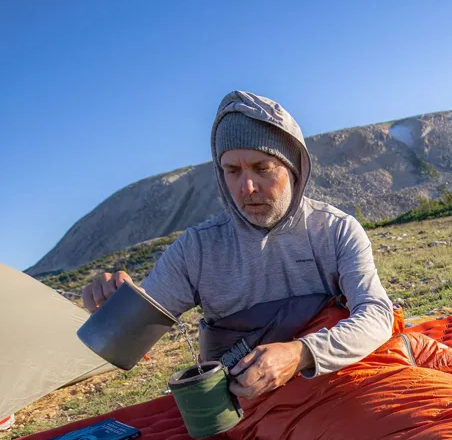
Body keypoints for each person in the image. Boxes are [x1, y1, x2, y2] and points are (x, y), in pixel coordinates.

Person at [81, 91, 394, 399]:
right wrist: (111, 300)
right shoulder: (197, 249)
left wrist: (300, 353)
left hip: (331, 382)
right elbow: (131, 328)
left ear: (294, 169)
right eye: (232, 171)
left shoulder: (334, 229)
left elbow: (377, 316)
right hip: (245, 401)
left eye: (262, 168)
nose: (247, 187)